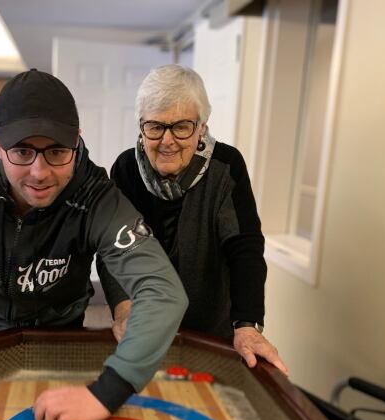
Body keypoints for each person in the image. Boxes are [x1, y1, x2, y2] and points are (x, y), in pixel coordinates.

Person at [0, 69, 187, 420]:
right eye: (21, 151)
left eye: (56, 152)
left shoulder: (95, 192)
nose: (39, 172)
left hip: (60, 329)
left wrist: (106, 393)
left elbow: (163, 291)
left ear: (76, 142)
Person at [98, 64, 288, 375]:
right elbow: (112, 246)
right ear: (140, 126)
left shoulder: (226, 166)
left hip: (211, 325)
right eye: (155, 126)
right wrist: (123, 308)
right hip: (145, 324)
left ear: (202, 127)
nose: (167, 140)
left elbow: (245, 248)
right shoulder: (125, 169)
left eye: (182, 126)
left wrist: (246, 324)